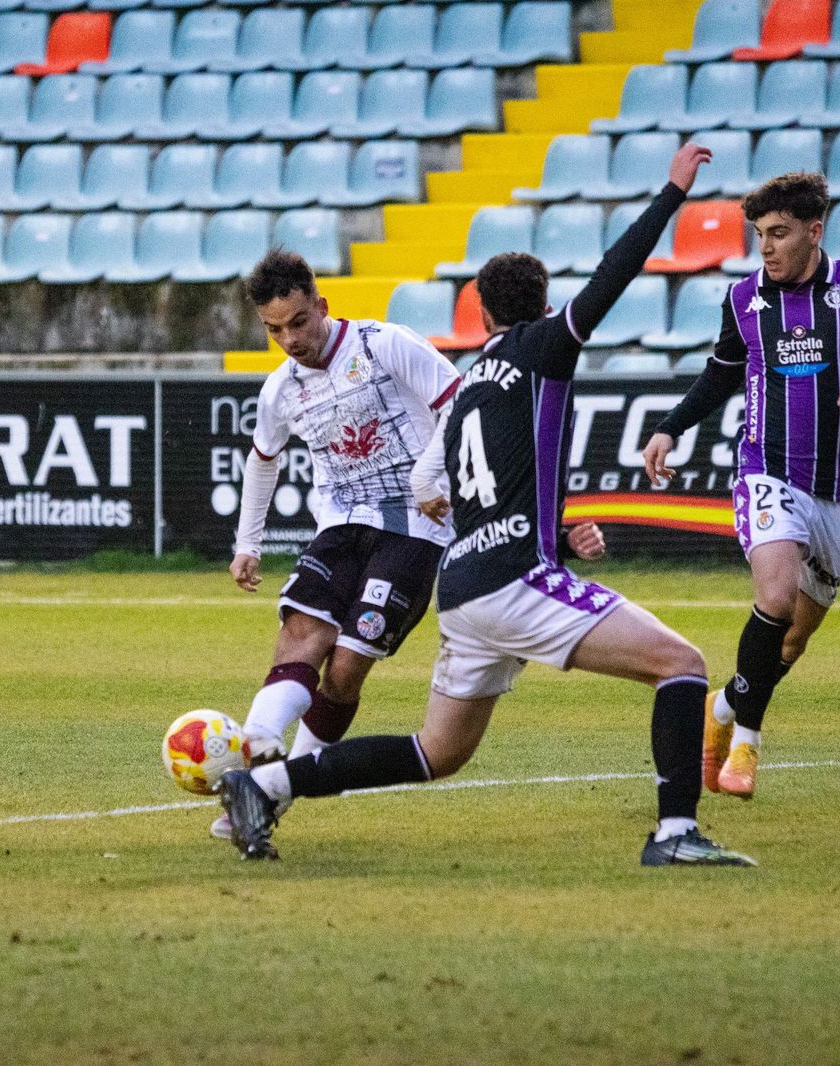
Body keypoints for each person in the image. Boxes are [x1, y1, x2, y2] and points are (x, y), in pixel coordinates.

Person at [219, 143, 756, 868]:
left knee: (436, 751)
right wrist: (671, 192)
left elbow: (429, 488)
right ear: (540, 308)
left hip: (464, 587)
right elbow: (614, 276)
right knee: (683, 665)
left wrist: (550, 533)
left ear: (477, 313)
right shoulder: (541, 348)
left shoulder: (471, 383)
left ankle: (267, 782)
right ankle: (674, 834)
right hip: (510, 578)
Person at [642, 172, 840, 801]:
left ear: (814, 231)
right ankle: (747, 743)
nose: (766, 247)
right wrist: (669, 428)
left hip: (839, 489)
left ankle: (719, 714)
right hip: (765, 470)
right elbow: (720, 375)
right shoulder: (744, 299)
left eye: (778, 234)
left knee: (792, 640)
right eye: (759, 235)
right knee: (773, 595)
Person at [216, 249, 469, 840]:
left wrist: (431, 477)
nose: (290, 339)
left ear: (321, 307)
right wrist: (245, 542)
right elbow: (262, 462)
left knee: (347, 669)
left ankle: (274, 795)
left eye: (298, 322)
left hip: (415, 524)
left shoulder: (386, 344)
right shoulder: (281, 389)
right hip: (340, 524)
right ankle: (257, 749)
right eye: (274, 329)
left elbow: (458, 402)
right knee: (303, 635)